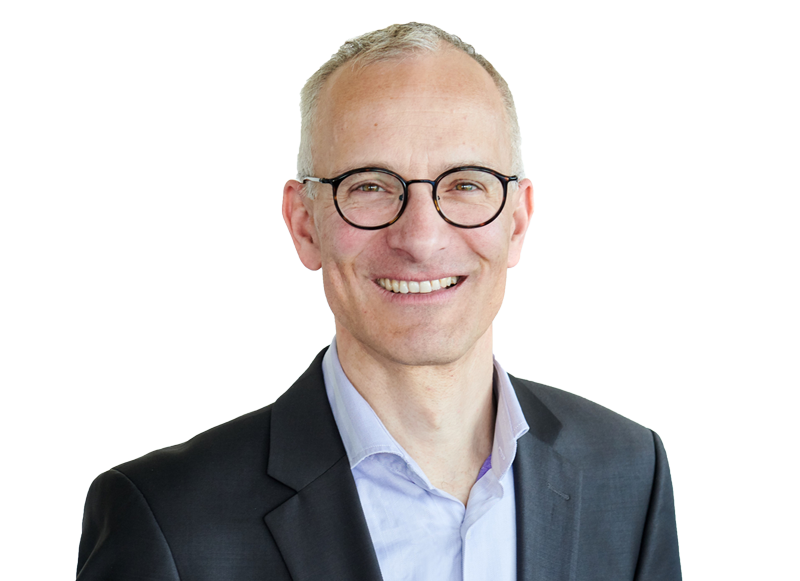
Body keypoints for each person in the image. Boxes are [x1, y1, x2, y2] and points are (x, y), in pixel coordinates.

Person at [76, 22, 681, 581]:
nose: (421, 238)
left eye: (465, 184)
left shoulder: (629, 473)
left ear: (517, 222)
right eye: (370, 186)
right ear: (304, 224)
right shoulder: (167, 519)